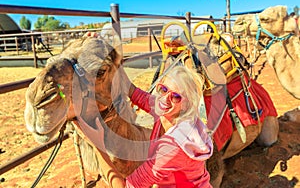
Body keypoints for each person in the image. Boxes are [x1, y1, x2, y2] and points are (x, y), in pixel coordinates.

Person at [75, 65, 213, 188]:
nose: (165, 99)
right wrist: (110, 57)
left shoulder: (173, 147)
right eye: (163, 89)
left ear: (186, 104)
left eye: (176, 96)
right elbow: (136, 94)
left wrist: (97, 145)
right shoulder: (169, 112)